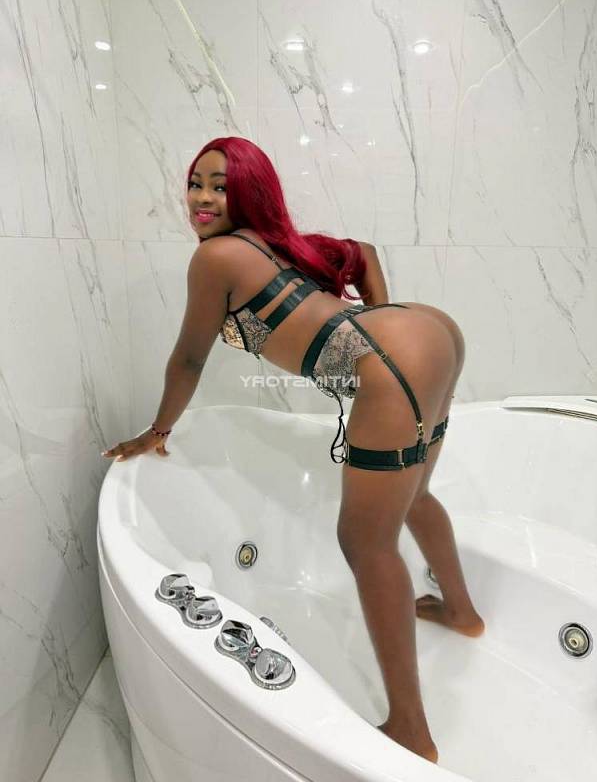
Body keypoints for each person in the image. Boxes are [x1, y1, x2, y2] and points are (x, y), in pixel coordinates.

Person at [102, 136, 484, 763]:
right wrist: (381, 325)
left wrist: (158, 431)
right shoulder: (276, 243)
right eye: (196, 183)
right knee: (415, 497)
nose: (202, 198)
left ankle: (411, 729)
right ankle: (461, 612)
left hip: (395, 359)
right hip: (431, 331)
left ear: (247, 192)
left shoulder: (217, 257)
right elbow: (362, 253)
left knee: (364, 542)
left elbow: (189, 359)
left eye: (220, 186)